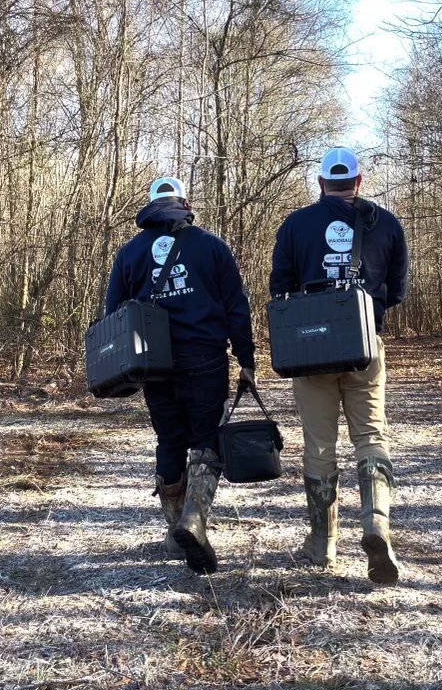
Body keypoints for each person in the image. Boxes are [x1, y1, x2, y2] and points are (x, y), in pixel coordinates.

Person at [269, 148, 408, 584]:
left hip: (312, 349)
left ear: (321, 183)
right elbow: (399, 289)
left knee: (319, 445)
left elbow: (279, 289)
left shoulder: (295, 225)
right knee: (370, 436)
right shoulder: (385, 223)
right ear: (359, 182)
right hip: (365, 345)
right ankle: (376, 524)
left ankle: (323, 544)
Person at [106, 176, 255, 574]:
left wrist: (124, 369)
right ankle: (194, 519)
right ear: (185, 203)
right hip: (206, 356)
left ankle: (175, 533)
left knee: (169, 441)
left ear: (151, 205)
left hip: (155, 365)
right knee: (205, 440)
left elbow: (114, 317)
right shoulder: (212, 246)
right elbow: (236, 307)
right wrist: (247, 359)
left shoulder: (130, 254)